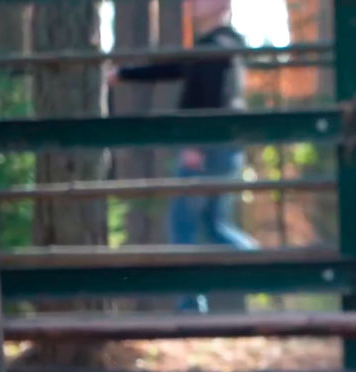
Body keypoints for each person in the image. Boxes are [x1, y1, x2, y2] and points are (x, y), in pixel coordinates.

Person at [108, 0, 258, 312]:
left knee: (184, 223)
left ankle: (191, 304)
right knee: (213, 225)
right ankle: (270, 268)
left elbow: (213, 98)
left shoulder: (219, 47)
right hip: (220, 146)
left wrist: (196, 145)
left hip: (207, 147)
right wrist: (125, 74)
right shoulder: (217, 47)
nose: (192, 3)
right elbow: (175, 68)